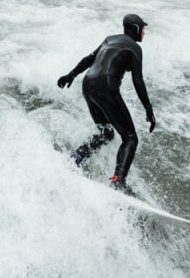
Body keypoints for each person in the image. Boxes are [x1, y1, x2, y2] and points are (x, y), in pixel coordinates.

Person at [57, 13, 156, 193]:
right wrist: (148, 108)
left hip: (88, 84)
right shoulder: (134, 48)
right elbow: (138, 80)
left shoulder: (109, 40)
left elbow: (89, 59)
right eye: (143, 28)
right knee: (130, 138)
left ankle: (75, 159)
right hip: (105, 86)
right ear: (136, 29)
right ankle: (118, 181)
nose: (144, 32)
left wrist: (70, 75)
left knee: (106, 133)